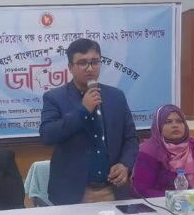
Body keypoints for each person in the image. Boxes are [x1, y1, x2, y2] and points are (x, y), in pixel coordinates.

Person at [39, 38, 138, 205]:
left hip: (113, 190)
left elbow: (131, 138)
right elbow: (47, 135)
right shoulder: (54, 98)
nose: (90, 68)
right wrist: (82, 110)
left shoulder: (116, 96)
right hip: (73, 193)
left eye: (95, 62)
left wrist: (125, 164)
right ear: (70, 67)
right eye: (82, 63)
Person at [132, 104, 194, 198]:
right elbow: (142, 189)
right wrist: (176, 197)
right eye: (168, 122)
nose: (175, 125)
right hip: (161, 203)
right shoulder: (149, 151)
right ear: (158, 126)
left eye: (179, 121)